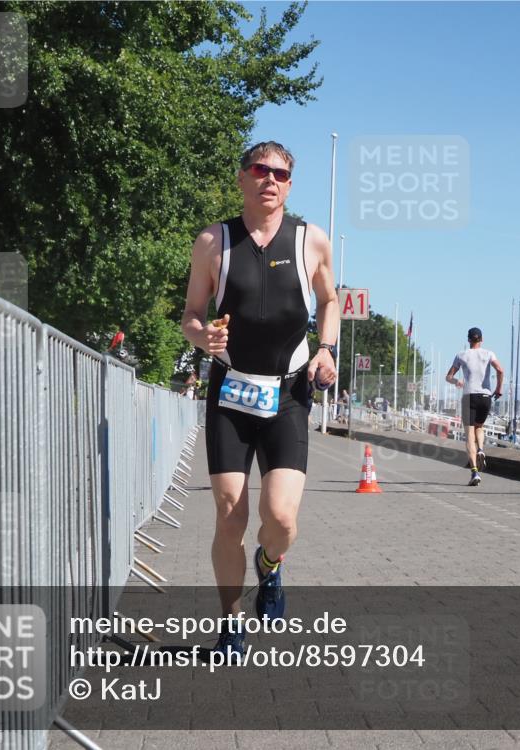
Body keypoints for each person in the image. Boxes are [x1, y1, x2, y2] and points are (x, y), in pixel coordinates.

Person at [180, 141, 339, 662]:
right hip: (230, 391)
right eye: (260, 170)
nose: (271, 179)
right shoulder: (212, 242)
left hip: (289, 391)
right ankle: (230, 625)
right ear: (243, 177)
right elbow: (191, 315)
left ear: (290, 185)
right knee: (230, 516)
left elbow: (329, 300)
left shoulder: (311, 240)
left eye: (282, 174)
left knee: (282, 517)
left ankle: (270, 564)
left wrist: (326, 349)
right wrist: (203, 340)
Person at [445, 327, 504, 486]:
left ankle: (475, 472)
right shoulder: (489, 354)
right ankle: (481, 449)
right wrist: (498, 389)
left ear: (469, 340)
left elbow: (448, 376)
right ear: (482, 339)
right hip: (485, 396)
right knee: (480, 427)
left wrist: (457, 381)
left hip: (469, 396)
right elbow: (500, 369)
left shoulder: (461, 355)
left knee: (469, 433)